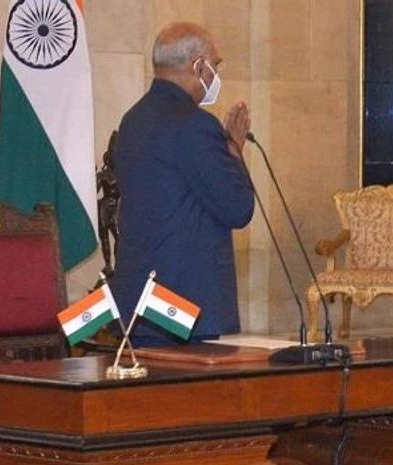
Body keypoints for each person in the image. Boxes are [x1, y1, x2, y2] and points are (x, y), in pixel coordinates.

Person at [111, 22, 255, 347]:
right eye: (215, 65)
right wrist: (232, 148)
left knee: (148, 395)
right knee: (188, 396)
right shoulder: (195, 125)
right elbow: (237, 208)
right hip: (183, 303)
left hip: (141, 299)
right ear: (198, 65)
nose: (217, 74)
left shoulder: (133, 120)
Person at [96, 130, 119, 278]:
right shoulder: (103, 175)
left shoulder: (124, 173)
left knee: (119, 237)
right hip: (104, 207)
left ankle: (119, 265)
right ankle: (108, 265)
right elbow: (94, 191)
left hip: (117, 207)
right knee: (104, 237)